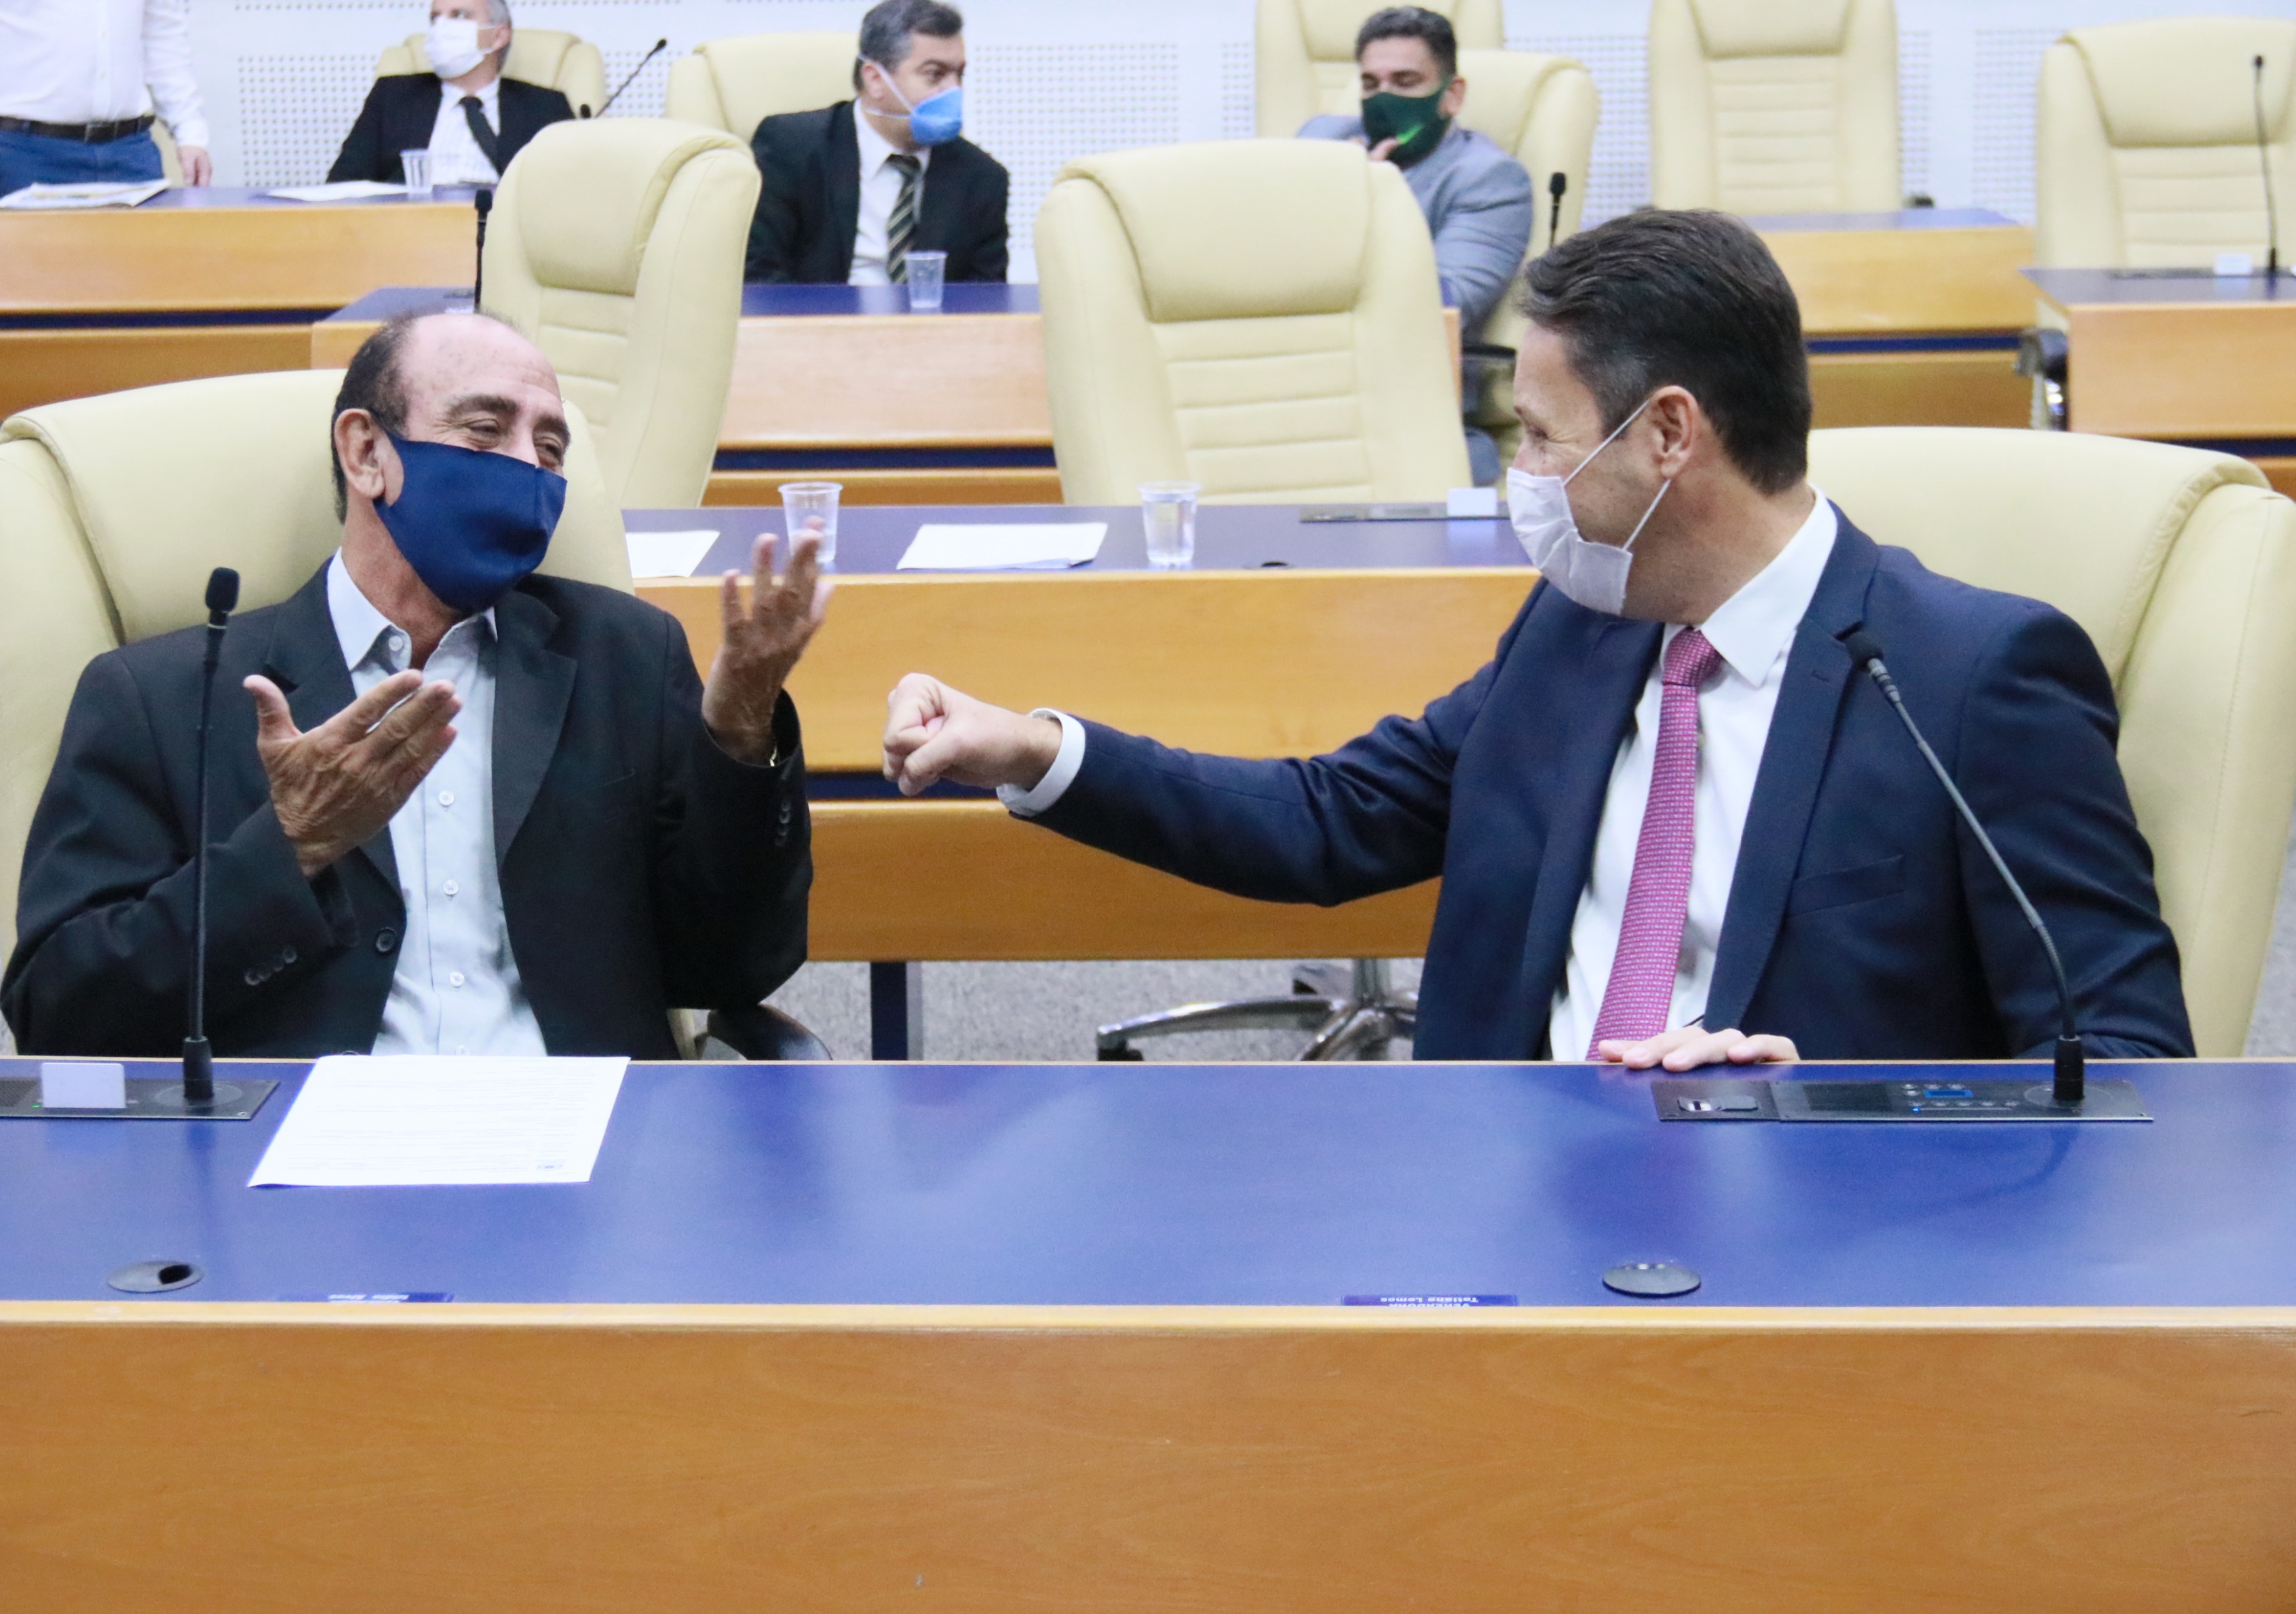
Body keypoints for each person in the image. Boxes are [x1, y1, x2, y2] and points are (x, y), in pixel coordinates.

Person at [879, 209, 2194, 1072]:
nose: (1520, 474)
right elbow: (1331, 821)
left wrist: (1825, 1102)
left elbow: (2128, 1065)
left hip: (1804, 1258)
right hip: (1502, 1199)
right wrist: (1036, 751)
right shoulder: (1584, 623)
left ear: (1667, 434)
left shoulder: (1970, 680)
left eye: (1541, 436)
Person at [3, 311, 826, 1060]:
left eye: (549, 449)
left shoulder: (625, 656)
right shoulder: (163, 697)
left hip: (579, 1136)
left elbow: (733, 965)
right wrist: (289, 846)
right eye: (485, 430)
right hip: (306, 1145)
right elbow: (61, 1011)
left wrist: (739, 733)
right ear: (367, 453)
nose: (527, 467)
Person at [1300, 6, 1530, 486]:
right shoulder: (1322, 142)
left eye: (1406, 82)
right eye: (1371, 84)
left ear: (1452, 94)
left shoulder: (1489, 180)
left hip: (1412, 409)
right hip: (1301, 385)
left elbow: (1437, 308)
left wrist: (1371, 197)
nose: (1384, 99)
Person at [744, 0, 1009, 285]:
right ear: (875, 79)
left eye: (959, 75)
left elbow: (985, 296)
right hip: (816, 312)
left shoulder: (982, 178)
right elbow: (760, 275)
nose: (954, 91)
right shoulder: (791, 148)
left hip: (930, 315)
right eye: (935, 74)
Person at [0, 0, 211, 201]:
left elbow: (162, 35)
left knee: (143, 273)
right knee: (26, 276)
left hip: (131, 152)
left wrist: (189, 130)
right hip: (24, 153)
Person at [329, 0, 572, 188]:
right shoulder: (392, 97)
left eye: (460, 15)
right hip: (408, 227)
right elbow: (342, 186)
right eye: (436, 18)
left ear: (498, 36)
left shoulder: (547, 107)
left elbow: (570, 194)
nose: (442, 28)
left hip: (500, 230)